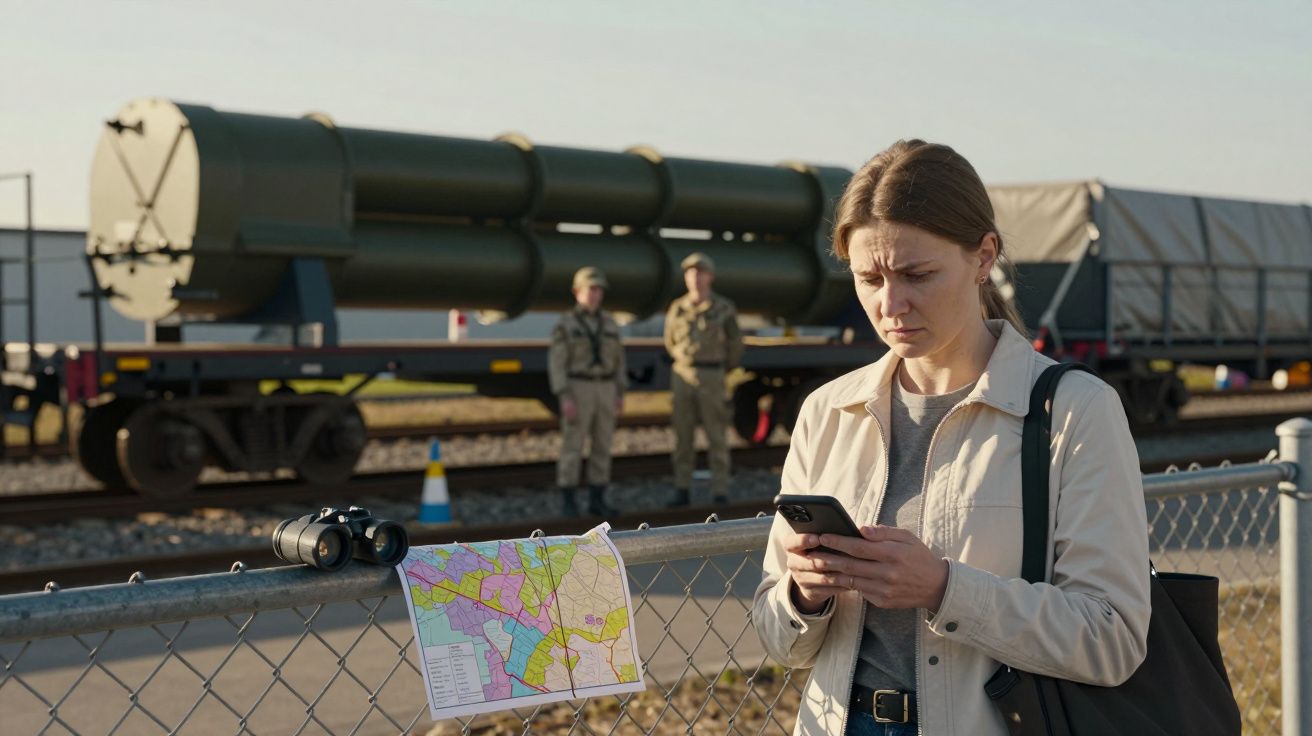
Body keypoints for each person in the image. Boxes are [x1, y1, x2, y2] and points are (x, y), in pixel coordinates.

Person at [751, 140, 1151, 735]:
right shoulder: (827, 411)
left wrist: (943, 588)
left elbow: (1111, 638)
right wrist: (804, 597)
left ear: (983, 255)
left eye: (917, 274)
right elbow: (779, 639)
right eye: (869, 278)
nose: (891, 304)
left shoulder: (1076, 410)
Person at [664, 252, 743, 506]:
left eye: (700, 273)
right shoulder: (677, 308)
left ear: (710, 277)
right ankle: (681, 489)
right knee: (682, 436)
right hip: (683, 375)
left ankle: (720, 491)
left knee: (716, 435)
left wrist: (722, 369)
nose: (695, 278)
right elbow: (670, 342)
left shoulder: (723, 308)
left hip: (713, 375)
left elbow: (735, 344)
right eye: (690, 273)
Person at [548, 267, 627, 517]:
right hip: (578, 385)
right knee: (573, 444)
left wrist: (620, 391)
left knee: (603, 444)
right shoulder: (566, 324)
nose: (595, 295)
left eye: (599, 290)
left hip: (605, 386)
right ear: (577, 291)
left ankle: (597, 499)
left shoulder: (610, 322)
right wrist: (564, 395)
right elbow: (557, 363)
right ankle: (569, 500)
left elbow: (619, 359)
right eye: (590, 289)